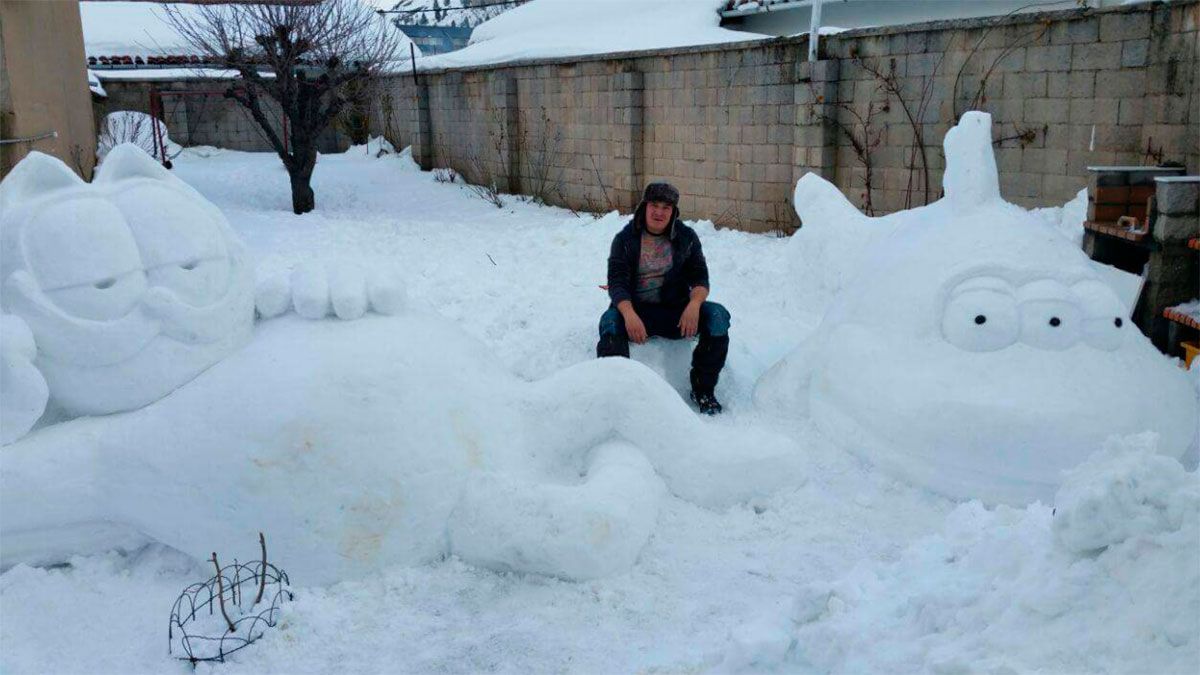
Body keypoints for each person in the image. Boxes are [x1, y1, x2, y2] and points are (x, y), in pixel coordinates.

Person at [596, 182, 731, 414]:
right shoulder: (625, 239)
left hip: (676, 312)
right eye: (654, 205)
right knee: (609, 322)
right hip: (636, 312)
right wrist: (628, 314)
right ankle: (618, 395)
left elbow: (700, 277)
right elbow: (617, 283)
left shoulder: (686, 237)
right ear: (644, 207)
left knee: (718, 316)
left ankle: (703, 390)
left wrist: (694, 304)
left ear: (674, 212)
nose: (659, 212)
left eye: (666, 207)